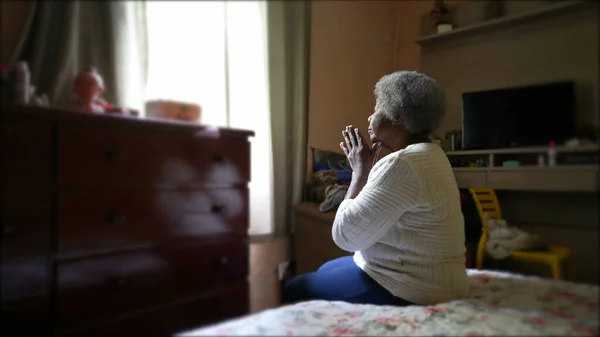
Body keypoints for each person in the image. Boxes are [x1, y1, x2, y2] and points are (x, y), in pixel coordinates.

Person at [282, 71, 468, 306]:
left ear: (396, 117)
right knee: (328, 267)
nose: (370, 117)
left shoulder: (402, 163)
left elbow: (346, 236)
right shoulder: (432, 154)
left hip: (416, 288)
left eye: (377, 107)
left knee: (294, 288)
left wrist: (359, 171)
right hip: (441, 279)